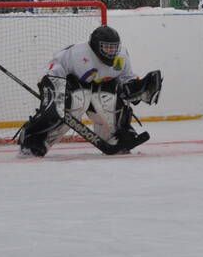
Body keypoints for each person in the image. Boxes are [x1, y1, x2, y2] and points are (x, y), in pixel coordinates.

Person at [17, 24, 162, 157]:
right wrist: (54, 94)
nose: (111, 52)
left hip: (100, 87)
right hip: (72, 85)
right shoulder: (76, 53)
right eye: (106, 47)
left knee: (108, 99)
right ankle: (36, 138)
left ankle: (115, 135)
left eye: (114, 48)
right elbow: (52, 70)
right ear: (95, 46)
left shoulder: (122, 56)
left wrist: (139, 88)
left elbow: (126, 79)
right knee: (77, 101)